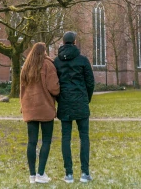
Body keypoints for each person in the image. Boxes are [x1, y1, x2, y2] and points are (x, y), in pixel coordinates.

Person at [54, 31, 95, 184]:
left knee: (66, 137)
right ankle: (85, 173)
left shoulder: (56, 62)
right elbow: (90, 82)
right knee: (84, 137)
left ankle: (68, 174)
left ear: (63, 42)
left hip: (65, 103)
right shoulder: (83, 60)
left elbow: (54, 84)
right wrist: (86, 98)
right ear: (75, 42)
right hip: (80, 102)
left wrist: (60, 99)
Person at [20, 42, 60, 184]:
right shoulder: (48, 65)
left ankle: (31, 176)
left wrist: (22, 105)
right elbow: (54, 88)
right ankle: (40, 173)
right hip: (45, 108)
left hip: (29, 107)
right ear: (44, 52)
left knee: (31, 142)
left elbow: (22, 90)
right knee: (46, 140)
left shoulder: (26, 67)